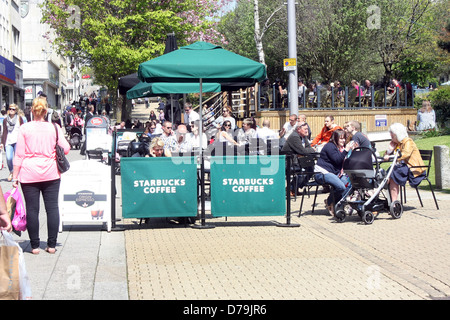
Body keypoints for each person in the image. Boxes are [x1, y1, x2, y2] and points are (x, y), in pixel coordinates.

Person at [12, 97, 70, 254]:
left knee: (32, 209)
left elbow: (19, 155)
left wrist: (15, 176)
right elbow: (66, 148)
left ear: (32, 110)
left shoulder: (24, 129)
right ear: (46, 111)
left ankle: (35, 246)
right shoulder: (54, 128)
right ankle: (51, 245)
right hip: (51, 173)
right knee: (52, 208)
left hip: (28, 173)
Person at [314, 129, 356, 216]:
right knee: (341, 187)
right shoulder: (330, 146)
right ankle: (331, 203)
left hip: (333, 174)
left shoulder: (339, 148)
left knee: (349, 184)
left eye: (344, 138)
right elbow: (337, 160)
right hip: (322, 173)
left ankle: (333, 203)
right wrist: (346, 150)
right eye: (341, 139)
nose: (343, 141)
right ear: (335, 139)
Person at [383, 123, 426, 202]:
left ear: (397, 133)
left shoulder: (408, 141)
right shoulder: (397, 144)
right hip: (402, 167)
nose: (390, 135)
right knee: (388, 173)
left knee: (392, 174)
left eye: (392, 133)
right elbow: (385, 156)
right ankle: (390, 200)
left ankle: (393, 201)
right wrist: (389, 150)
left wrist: (393, 156)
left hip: (413, 169)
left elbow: (406, 154)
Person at [1, 104, 24, 181]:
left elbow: (23, 130)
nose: (11, 110)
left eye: (13, 109)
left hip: (18, 141)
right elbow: (4, 132)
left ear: (16, 111)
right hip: (8, 141)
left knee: (17, 158)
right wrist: (2, 143)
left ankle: (16, 174)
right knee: (8, 157)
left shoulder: (19, 119)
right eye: (10, 109)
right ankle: (11, 171)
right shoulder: (5, 120)